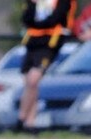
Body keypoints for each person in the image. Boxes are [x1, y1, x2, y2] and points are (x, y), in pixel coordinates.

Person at [17, 0, 76, 132]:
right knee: (29, 83)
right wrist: (33, 5)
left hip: (50, 42)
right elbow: (26, 19)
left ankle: (21, 118)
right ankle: (30, 123)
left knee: (33, 79)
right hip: (33, 42)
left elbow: (56, 19)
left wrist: (39, 24)